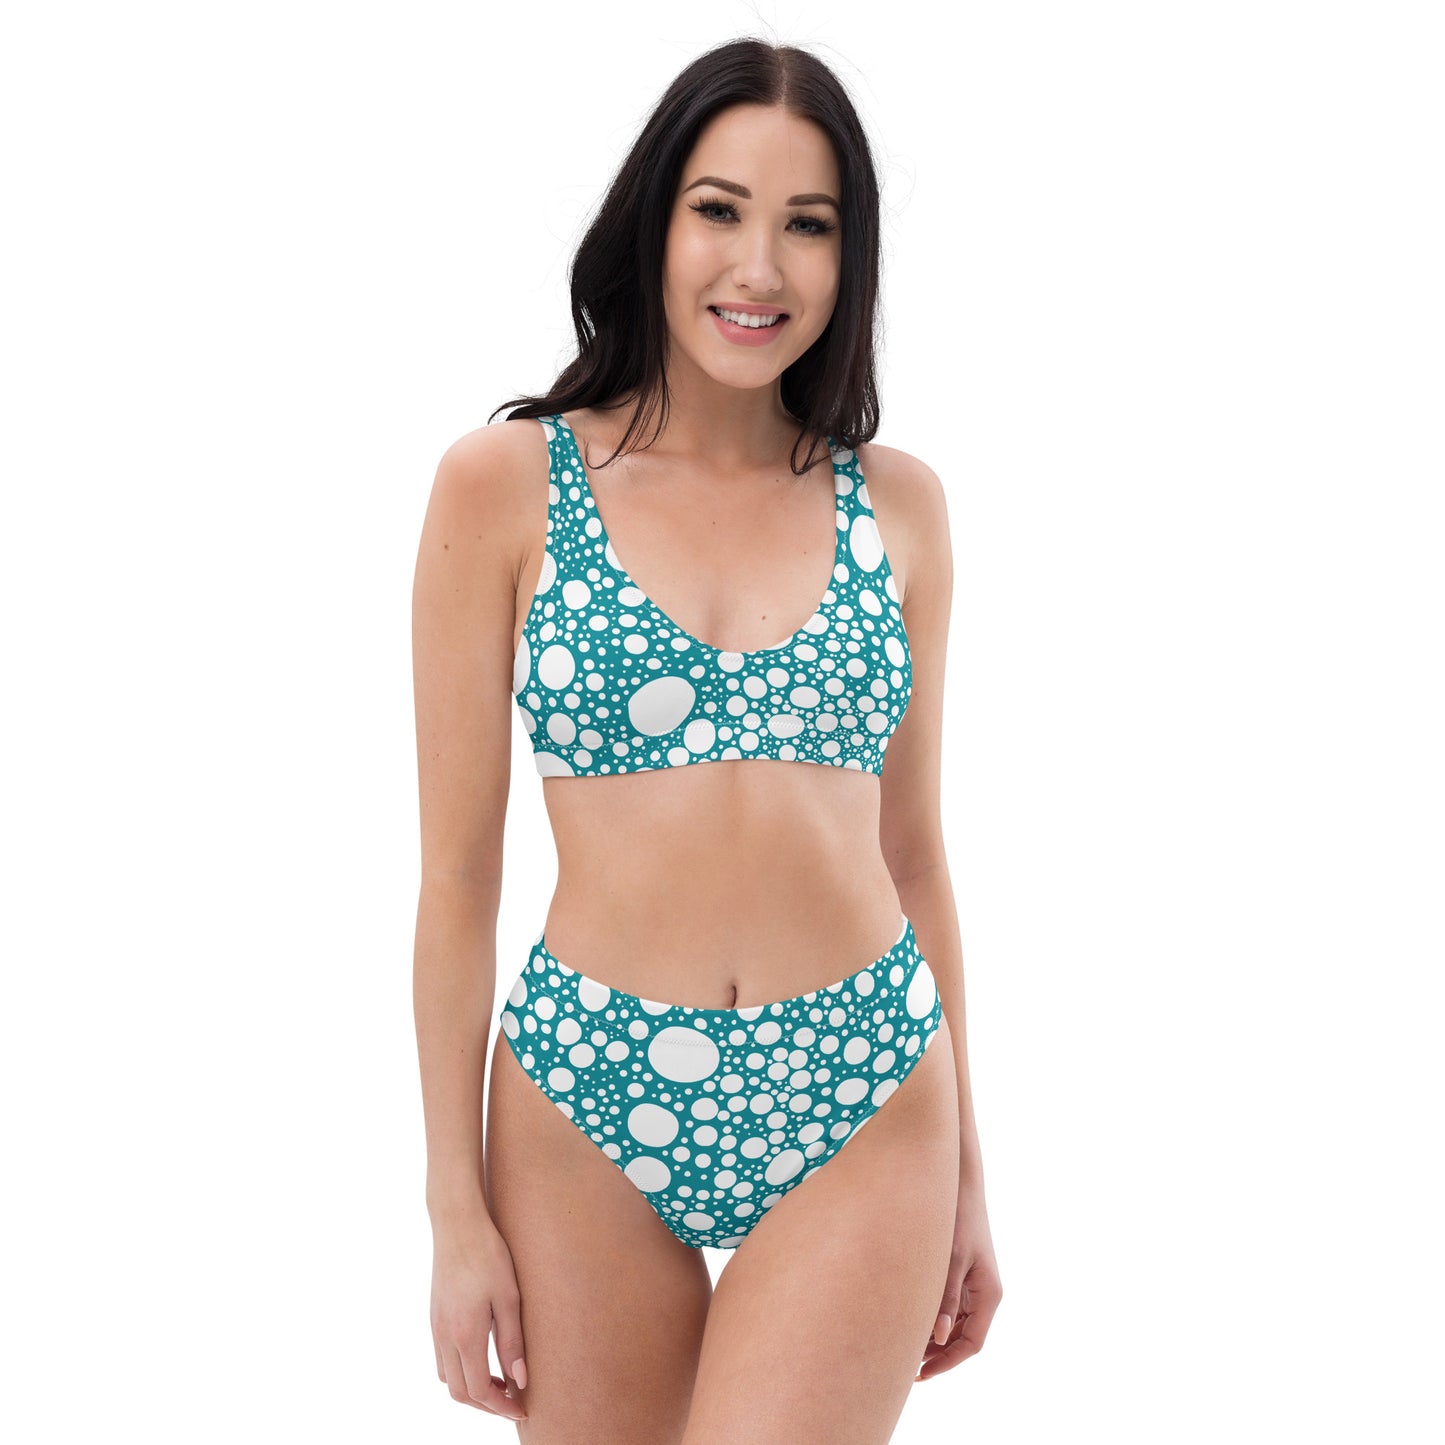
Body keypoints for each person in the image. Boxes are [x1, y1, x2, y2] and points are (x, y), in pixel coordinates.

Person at [411, 35, 1001, 1441]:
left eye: (810, 224)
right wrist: (451, 1211)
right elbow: (456, 878)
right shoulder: (506, 486)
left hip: (862, 1088)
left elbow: (914, 854)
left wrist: (970, 1171)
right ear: (654, 222)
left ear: (850, 258)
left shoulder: (899, 507)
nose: (760, 267)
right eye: (720, 210)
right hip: (584, 1088)